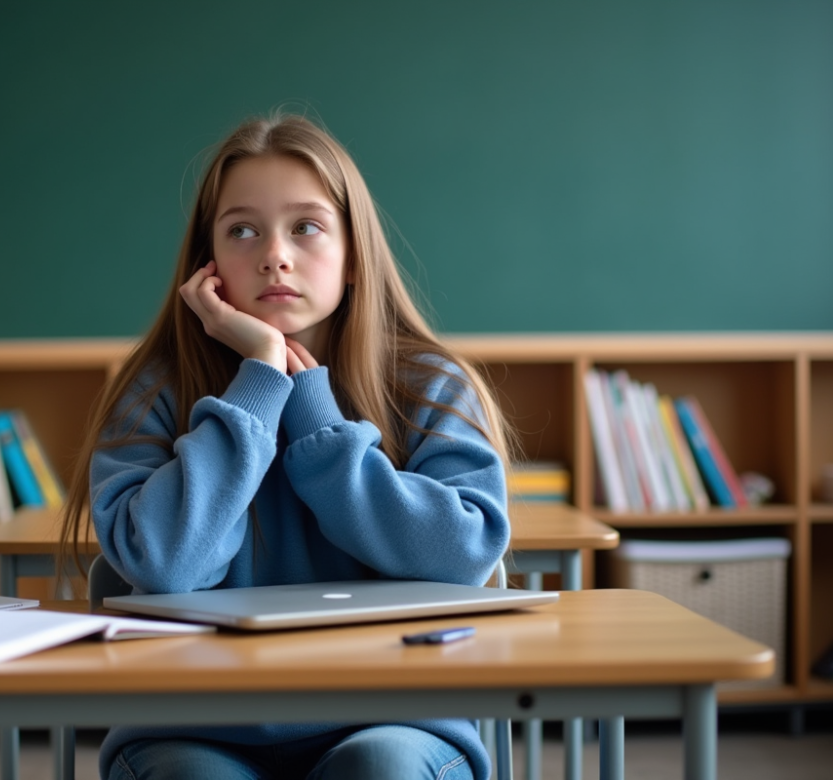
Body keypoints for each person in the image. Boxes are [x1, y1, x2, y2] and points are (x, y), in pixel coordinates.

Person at [59, 111, 513, 780]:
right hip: (196, 719)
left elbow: (462, 554)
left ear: (354, 253)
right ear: (206, 266)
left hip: (393, 713)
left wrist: (316, 420)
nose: (274, 254)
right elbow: (164, 563)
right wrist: (260, 383)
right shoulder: (153, 388)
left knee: (379, 768)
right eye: (242, 230)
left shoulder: (427, 384)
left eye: (306, 227)